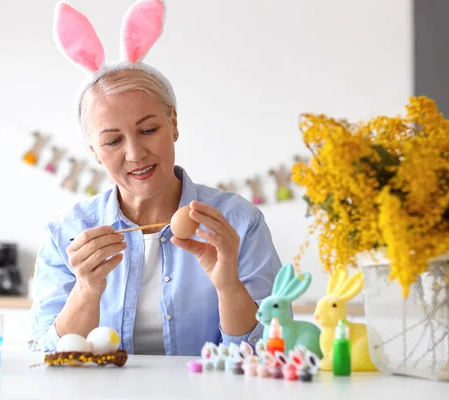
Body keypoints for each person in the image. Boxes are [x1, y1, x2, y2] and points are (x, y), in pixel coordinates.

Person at [29, 0, 282, 356]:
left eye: (148, 130)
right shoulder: (66, 236)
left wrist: (227, 286)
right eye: (113, 140)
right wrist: (86, 288)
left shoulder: (240, 223)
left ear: (174, 124)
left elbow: (269, 357)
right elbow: (45, 356)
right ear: (93, 151)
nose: (135, 153)